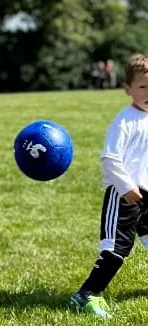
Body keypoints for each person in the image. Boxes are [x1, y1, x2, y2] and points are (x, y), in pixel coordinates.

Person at [69, 53, 148, 318]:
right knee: (116, 250)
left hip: (146, 194)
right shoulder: (125, 120)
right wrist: (126, 187)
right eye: (143, 87)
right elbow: (110, 158)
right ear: (127, 88)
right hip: (124, 194)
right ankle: (86, 294)